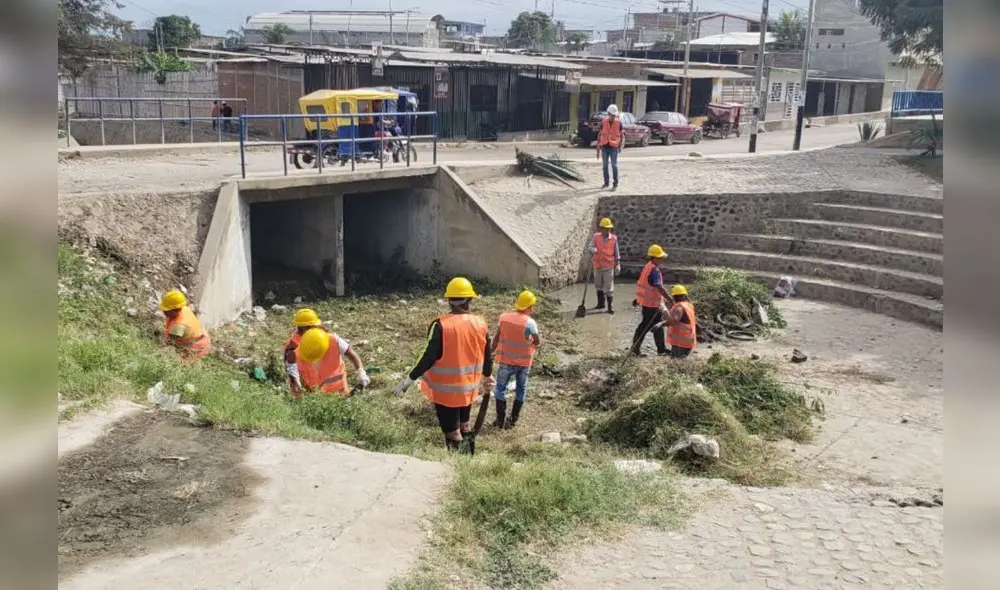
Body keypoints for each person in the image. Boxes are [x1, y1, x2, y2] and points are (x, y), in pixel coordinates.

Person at [393, 277, 495, 454]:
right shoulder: (480, 323)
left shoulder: (441, 325)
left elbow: (428, 356)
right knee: (465, 424)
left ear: (449, 301)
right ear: (470, 300)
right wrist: (488, 375)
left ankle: (457, 465)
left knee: (452, 431)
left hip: (446, 392)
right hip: (469, 389)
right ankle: (469, 460)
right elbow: (487, 354)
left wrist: (409, 379)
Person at [284, 308, 369, 398]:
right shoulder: (293, 347)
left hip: (340, 392)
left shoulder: (333, 339)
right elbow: (292, 373)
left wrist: (361, 372)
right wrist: (297, 389)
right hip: (315, 397)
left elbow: (350, 353)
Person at [491, 290, 541, 429]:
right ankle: (512, 421)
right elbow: (537, 341)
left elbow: (497, 336)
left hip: (506, 361)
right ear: (530, 307)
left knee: (500, 389)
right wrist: (532, 341)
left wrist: (491, 351)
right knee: (521, 389)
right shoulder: (530, 323)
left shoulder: (504, 317)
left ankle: (500, 421)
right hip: (524, 363)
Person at [630, 245, 673, 357]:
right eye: (660, 258)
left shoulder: (647, 267)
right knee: (644, 327)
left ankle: (660, 349)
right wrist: (670, 300)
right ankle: (635, 349)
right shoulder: (654, 270)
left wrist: (637, 299)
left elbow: (644, 285)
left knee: (655, 326)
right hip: (651, 304)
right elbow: (659, 287)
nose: (662, 260)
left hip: (647, 303)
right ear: (654, 258)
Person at [158, 290, 211, 361]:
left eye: (167, 310)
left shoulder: (178, 327)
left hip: (198, 346)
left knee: (175, 363)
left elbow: (168, 345)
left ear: (175, 310)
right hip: (202, 337)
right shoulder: (184, 308)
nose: (164, 311)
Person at [589, 217, 621, 313]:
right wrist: (592, 249)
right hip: (597, 264)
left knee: (608, 286)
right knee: (598, 284)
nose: (606, 230)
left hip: (608, 265)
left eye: (608, 228)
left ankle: (610, 307)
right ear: (601, 228)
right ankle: (600, 304)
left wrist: (618, 264)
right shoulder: (596, 237)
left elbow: (616, 252)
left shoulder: (613, 239)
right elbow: (590, 246)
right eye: (605, 228)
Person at [663, 285, 697, 358]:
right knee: (682, 361)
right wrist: (661, 324)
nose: (675, 298)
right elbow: (683, 322)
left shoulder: (679, 307)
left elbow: (673, 322)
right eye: (675, 296)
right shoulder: (689, 305)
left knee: (675, 362)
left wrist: (664, 310)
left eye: (676, 296)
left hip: (680, 341)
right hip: (689, 339)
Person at [597, 104, 624, 190]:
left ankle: (615, 183)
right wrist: (598, 148)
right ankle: (606, 182)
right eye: (611, 115)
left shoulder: (619, 123)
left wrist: (620, 146)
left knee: (614, 165)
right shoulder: (603, 122)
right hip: (604, 145)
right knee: (605, 165)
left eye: (614, 115)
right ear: (608, 114)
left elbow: (622, 135)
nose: (613, 116)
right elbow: (600, 134)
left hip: (614, 146)